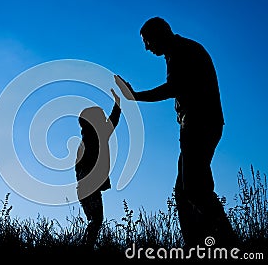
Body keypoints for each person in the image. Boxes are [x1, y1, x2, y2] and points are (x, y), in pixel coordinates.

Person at [114, 16, 236, 248]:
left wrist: (135, 96)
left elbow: (173, 88)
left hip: (199, 125)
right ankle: (202, 244)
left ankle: (226, 242)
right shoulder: (182, 50)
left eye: (147, 41)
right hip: (202, 125)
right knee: (186, 191)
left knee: (192, 189)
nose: (146, 48)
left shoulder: (181, 52)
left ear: (159, 34)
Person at [75, 88, 121, 249]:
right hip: (89, 187)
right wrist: (118, 103)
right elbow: (113, 120)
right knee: (96, 220)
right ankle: (86, 247)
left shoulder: (88, 139)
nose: (104, 120)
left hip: (85, 188)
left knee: (95, 220)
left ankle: (86, 246)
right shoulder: (97, 135)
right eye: (101, 118)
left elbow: (112, 120)